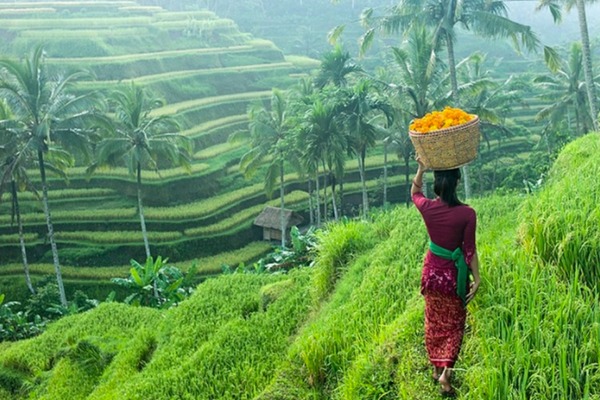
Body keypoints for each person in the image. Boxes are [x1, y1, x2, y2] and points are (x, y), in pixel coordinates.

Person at [411, 157, 481, 397]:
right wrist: (477, 278)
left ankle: (435, 367)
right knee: (455, 325)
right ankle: (445, 375)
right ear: (457, 183)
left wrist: (421, 168)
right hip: (453, 279)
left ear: (438, 185)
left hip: (431, 276)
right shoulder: (467, 213)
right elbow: (469, 249)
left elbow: (415, 192)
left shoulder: (428, 208)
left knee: (434, 322)